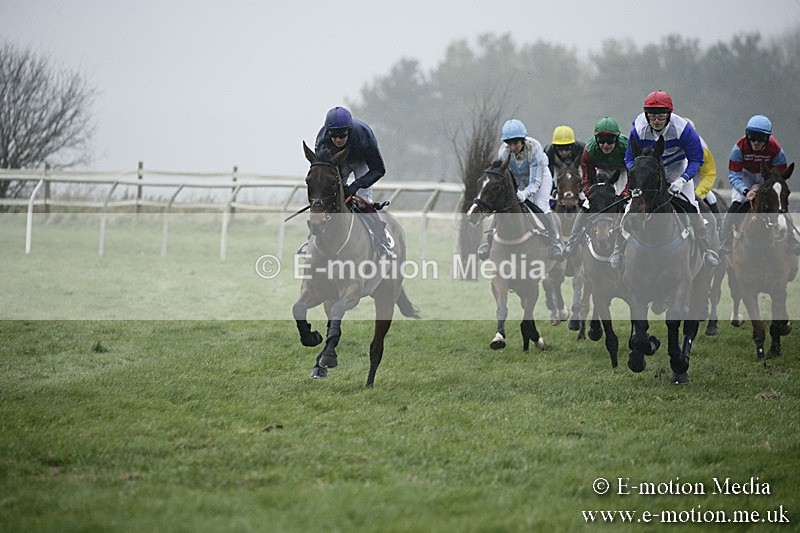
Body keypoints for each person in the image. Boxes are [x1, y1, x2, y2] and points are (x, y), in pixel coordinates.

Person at [610, 90, 720, 269]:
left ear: (669, 114)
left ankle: (706, 249)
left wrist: (682, 180)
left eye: (661, 116)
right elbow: (629, 158)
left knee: (691, 206)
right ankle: (618, 249)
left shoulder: (683, 129)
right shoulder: (639, 128)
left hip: (676, 170)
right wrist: (639, 173)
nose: (656, 120)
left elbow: (696, 160)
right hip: (650, 172)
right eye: (652, 116)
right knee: (630, 206)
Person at [305, 105, 395, 258]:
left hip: (362, 162)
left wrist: (356, 185)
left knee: (364, 202)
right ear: (328, 132)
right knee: (329, 203)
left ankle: (382, 241)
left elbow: (379, 170)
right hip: (337, 164)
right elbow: (322, 172)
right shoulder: (322, 140)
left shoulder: (363, 135)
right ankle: (311, 241)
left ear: (349, 130)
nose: (337, 139)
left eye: (342, 135)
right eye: (334, 135)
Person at [477, 118, 564, 261]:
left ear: (523, 141)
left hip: (540, 176)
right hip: (518, 177)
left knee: (541, 204)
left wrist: (524, 194)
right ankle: (488, 242)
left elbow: (535, 182)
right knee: (503, 206)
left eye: (515, 143)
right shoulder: (503, 152)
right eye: (509, 143)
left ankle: (555, 242)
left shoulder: (534, 148)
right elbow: (506, 175)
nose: (512, 147)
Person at [719, 114, 800, 255]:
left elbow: (779, 177)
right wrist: (746, 191)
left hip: (767, 176)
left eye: (760, 138)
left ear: (767, 138)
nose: (756, 142)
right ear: (747, 136)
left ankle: (791, 237)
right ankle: (724, 240)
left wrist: (766, 188)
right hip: (745, 175)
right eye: (752, 138)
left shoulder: (776, 150)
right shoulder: (738, 149)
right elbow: (734, 176)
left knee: (778, 202)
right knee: (738, 202)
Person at [563, 117, 629, 257]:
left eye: (610, 141)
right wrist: (590, 194)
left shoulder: (627, 147)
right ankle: (572, 242)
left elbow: (633, 173)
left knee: (626, 203)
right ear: (596, 140)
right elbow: (586, 178)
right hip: (601, 171)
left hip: (623, 171)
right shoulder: (589, 151)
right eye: (601, 141)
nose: (605, 145)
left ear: (617, 139)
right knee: (587, 204)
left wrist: (624, 194)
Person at [686, 119, 720, 215]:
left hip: (697, 183)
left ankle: (718, 221)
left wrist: (699, 193)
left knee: (711, 198)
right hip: (675, 182)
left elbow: (709, 174)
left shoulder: (702, 147)